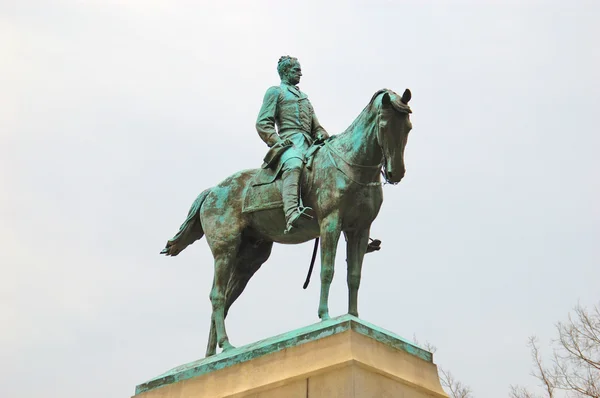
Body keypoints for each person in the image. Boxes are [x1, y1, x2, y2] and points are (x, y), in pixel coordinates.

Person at [256, 56, 329, 233]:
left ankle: (354, 228)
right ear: (285, 71)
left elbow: (317, 127)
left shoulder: (305, 98)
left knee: (335, 167)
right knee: (294, 164)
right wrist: (277, 141)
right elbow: (262, 123)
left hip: (311, 144)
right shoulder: (275, 92)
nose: (300, 73)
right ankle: (291, 213)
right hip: (290, 143)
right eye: (296, 70)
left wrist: (321, 135)